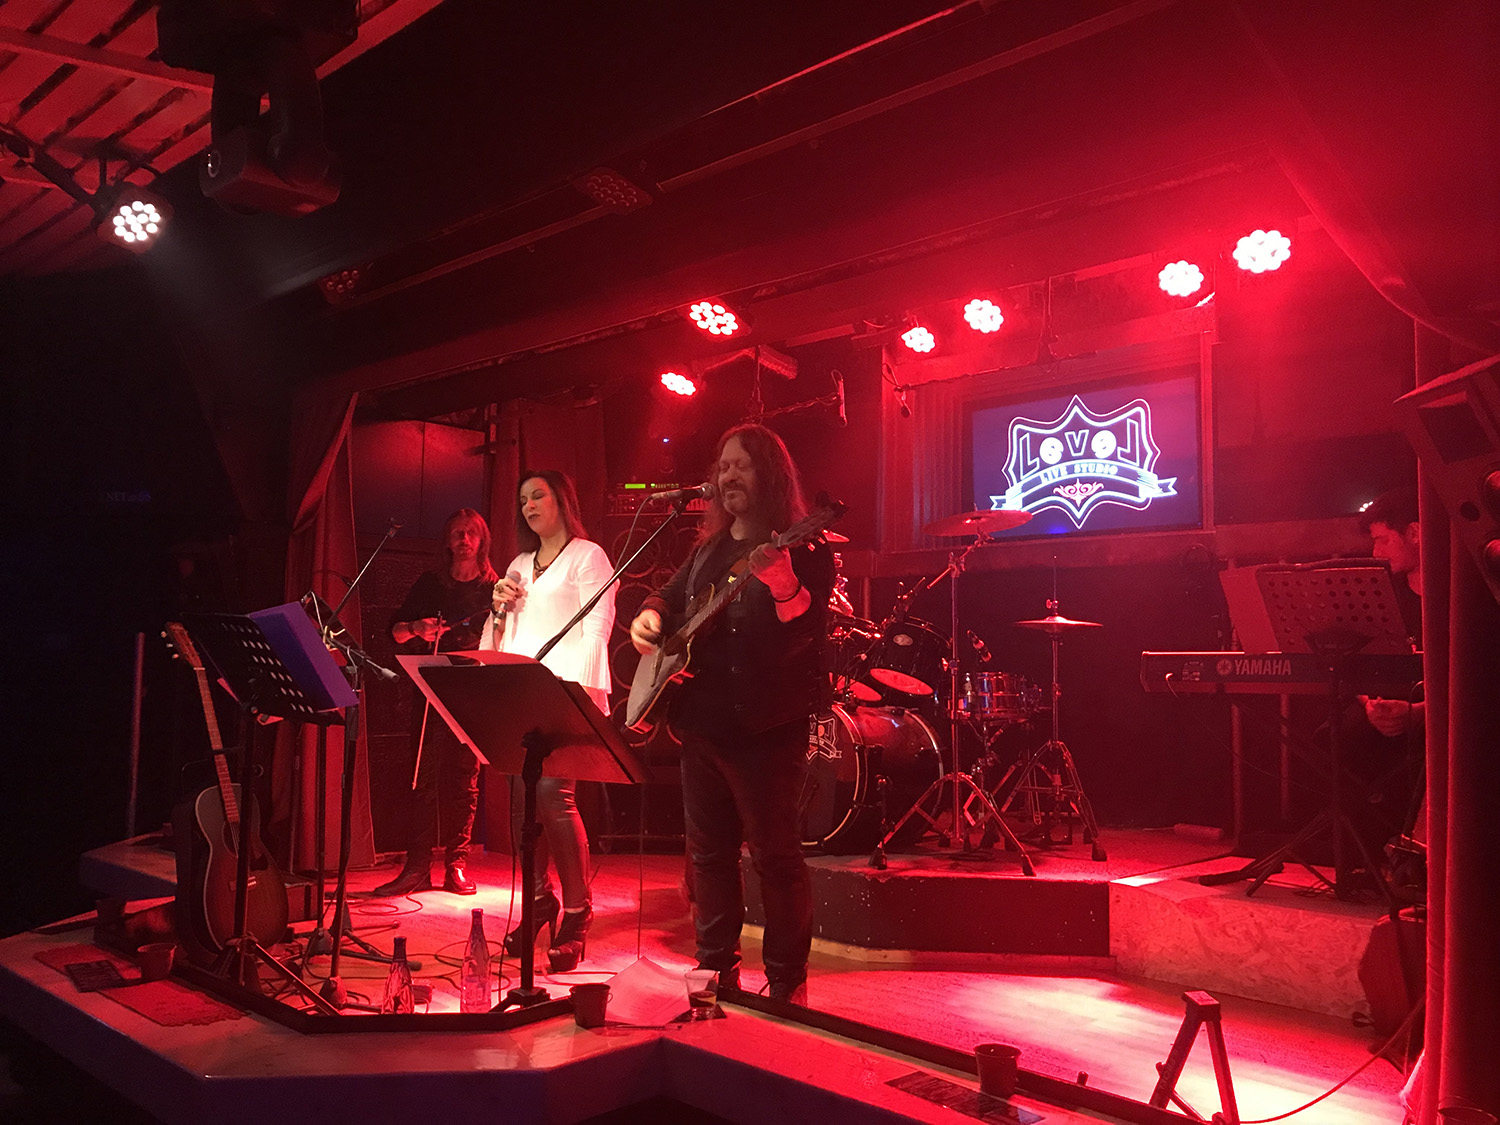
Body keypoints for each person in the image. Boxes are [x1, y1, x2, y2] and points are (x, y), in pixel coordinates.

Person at [629, 423, 834, 1004]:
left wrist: (785, 585)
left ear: (770, 473)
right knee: (709, 856)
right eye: (723, 466)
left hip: (766, 728)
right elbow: (668, 595)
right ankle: (715, 968)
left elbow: (807, 632)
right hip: (701, 725)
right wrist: (650, 615)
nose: (728, 475)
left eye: (741, 464)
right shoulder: (708, 549)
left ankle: (786, 980)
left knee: (774, 857)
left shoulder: (804, 547)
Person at [480, 470, 615, 972]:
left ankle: (578, 911)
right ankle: (538, 900)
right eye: (523, 500)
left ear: (562, 499)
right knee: (523, 804)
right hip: (522, 694)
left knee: (555, 798)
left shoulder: (588, 556)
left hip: (563, 695)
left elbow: (598, 629)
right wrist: (497, 612)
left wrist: (579, 701)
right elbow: (499, 639)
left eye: (538, 495)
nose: (529, 505)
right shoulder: (518, 564)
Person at [376, 508, 498, 897]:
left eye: (471, 533)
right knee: (422, 777)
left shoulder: (494, 588)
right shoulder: (430, 584)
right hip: (429, 689)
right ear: (447, 540)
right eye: (457, 533)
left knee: (464, 779)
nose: (464, 539)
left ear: (482, 540)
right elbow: (394, 633)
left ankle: (456, 864)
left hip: (472, 691)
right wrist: (416, 628)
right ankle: (417, 866)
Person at [1349, 487, 1426, 880]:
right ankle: (1364, 854)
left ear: (1415, 532)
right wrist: (1369, 705)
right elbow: (1356, 664)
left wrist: (1418, 713)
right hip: (1387, 707)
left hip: (1440, 711)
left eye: (1383, 540)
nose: (1376, 552)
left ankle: (1415, 855)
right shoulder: (1381, 594)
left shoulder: (1461, 593)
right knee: (1335, 734)